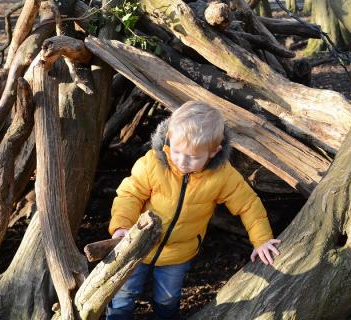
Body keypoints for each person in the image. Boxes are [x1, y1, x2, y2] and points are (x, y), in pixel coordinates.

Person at [106, 101, 281, 320]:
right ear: (169, 137)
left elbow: (248, 205)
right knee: (124, 293)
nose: (182, 161)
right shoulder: (153, 164)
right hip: (136, 245)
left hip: (179, 252)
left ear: (213, 152)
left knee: (167, 298)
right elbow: (129, 194)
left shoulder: (222, 176)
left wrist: (262, 239)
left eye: (193, 157)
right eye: (177, 151)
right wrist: (122, 226)